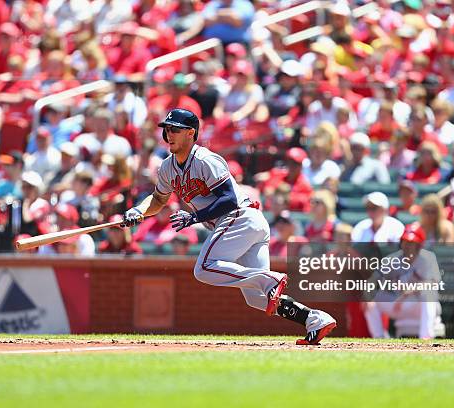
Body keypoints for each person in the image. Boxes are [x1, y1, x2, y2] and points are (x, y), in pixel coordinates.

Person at [120, 108, 336, 345]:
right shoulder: (167, 168)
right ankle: (314, 319)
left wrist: (194, 218)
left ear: (191, 133)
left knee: (203, 269)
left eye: (175, 130)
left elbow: (228, 199)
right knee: (256, 298)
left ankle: (268, 279)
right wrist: (138, 211)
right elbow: (159, 200)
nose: (168, 134)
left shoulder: (205, 160)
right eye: (167, 130)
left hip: (239, 217)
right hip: (244, 225)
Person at [363, 224, 443, 339]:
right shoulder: (392, 260)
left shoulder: (428, 258)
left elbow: (434, 283)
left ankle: (425, 337)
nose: (408, 245)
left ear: (419, 245)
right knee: (371, 299)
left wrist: (412, 290)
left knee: (429, 292)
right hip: (398, 304)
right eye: (405, 241)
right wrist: (367, 296)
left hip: (418, 305)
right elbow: (371, 281)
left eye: (412, 242)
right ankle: (379, 338)